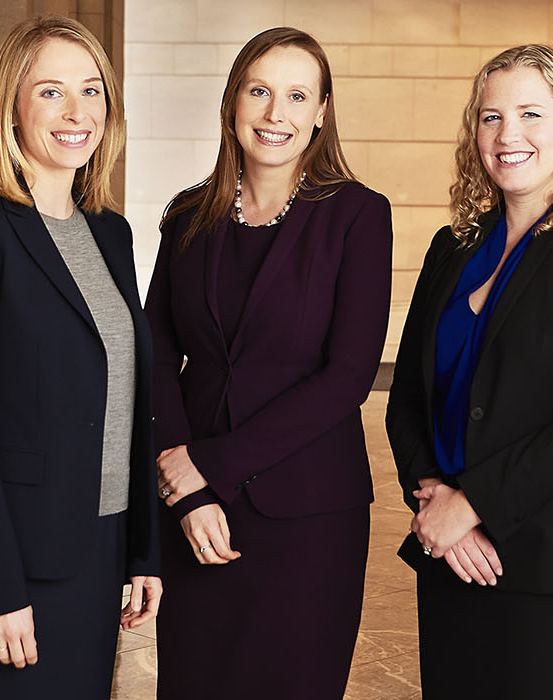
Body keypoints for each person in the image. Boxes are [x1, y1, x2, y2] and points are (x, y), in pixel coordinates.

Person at [385, 44, 553, 699]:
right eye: (490, 117)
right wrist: (436, 503)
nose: (509, 135)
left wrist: (472, 504)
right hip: (453, 556)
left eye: (531, 114)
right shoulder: (452, 249)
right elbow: (408, 400)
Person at [0, 16, 161, 699]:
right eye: (51, 92)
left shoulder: (110, 232)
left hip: (99, 548)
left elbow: (128, 399)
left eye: (92, 91)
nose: (78, 112)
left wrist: (142, 548)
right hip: (14, 561)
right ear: (12, 106)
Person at [145, 26, 393, 700]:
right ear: (232, 104)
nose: (274, 114)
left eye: (295, 95)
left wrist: (212, 464)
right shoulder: (188, 216)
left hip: (308, 515)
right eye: (259, 91)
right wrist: (184, 482)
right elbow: (157, 349)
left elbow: (348, 375)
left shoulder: (357, 216)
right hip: (193, 507)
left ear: (321, 112)